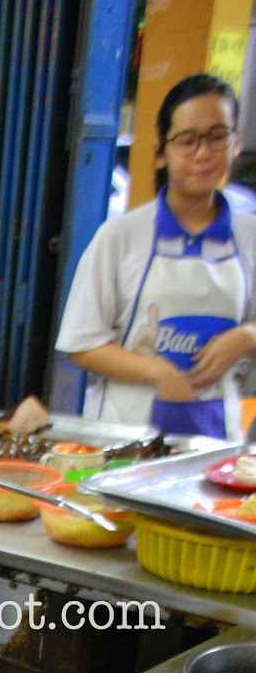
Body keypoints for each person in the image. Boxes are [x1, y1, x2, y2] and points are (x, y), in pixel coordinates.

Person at [56, 72, 256, 439]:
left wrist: (246, 337)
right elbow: (81, 344)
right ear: (161, 152)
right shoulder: (121, 236)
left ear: (236, 143)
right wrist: (157, 372)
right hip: (123, 439)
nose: (203, 152)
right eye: (187, 140)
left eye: (217, 136)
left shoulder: (250, 238)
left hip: (216, 443)